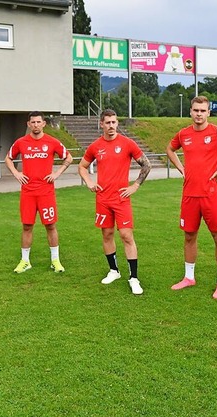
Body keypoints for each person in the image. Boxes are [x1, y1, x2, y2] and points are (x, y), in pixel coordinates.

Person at [166, 95, 217, 299]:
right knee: (189, 236)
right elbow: (169, 148)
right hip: (189, 195)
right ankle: (189, 277)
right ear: (191, 111)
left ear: (208, 112)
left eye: (203, 110)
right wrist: (181, 168)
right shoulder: (183, 134)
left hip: (211, 195)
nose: (199, 114)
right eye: (196, 110)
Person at [78, 109, 151, 295]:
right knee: (107, 234)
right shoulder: (95, 146)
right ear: (101, 124)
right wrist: (89, 182)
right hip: (103, 199)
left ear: (117, 123)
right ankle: (114, 271)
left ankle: (134, 277)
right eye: (108, 123)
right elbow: (82, 166)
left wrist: (134, 186)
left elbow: (146, 164)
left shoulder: (127, 143)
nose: (111, 126)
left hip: (121, 198)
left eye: (114, 122)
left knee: (126, 235)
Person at [5, 111, 73, 274]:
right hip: (27, 192)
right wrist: (16, 173)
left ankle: (55, 261)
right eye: (32, 122)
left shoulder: (52, 142)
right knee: (27, 226)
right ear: (28, 124)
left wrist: (57, 173)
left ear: (44, 124)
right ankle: (25, 261)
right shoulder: (21, 142)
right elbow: (8, 158)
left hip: (46, 192)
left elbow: (68, 158)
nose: (35, 125)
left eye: (38, 122)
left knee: (50, 225)